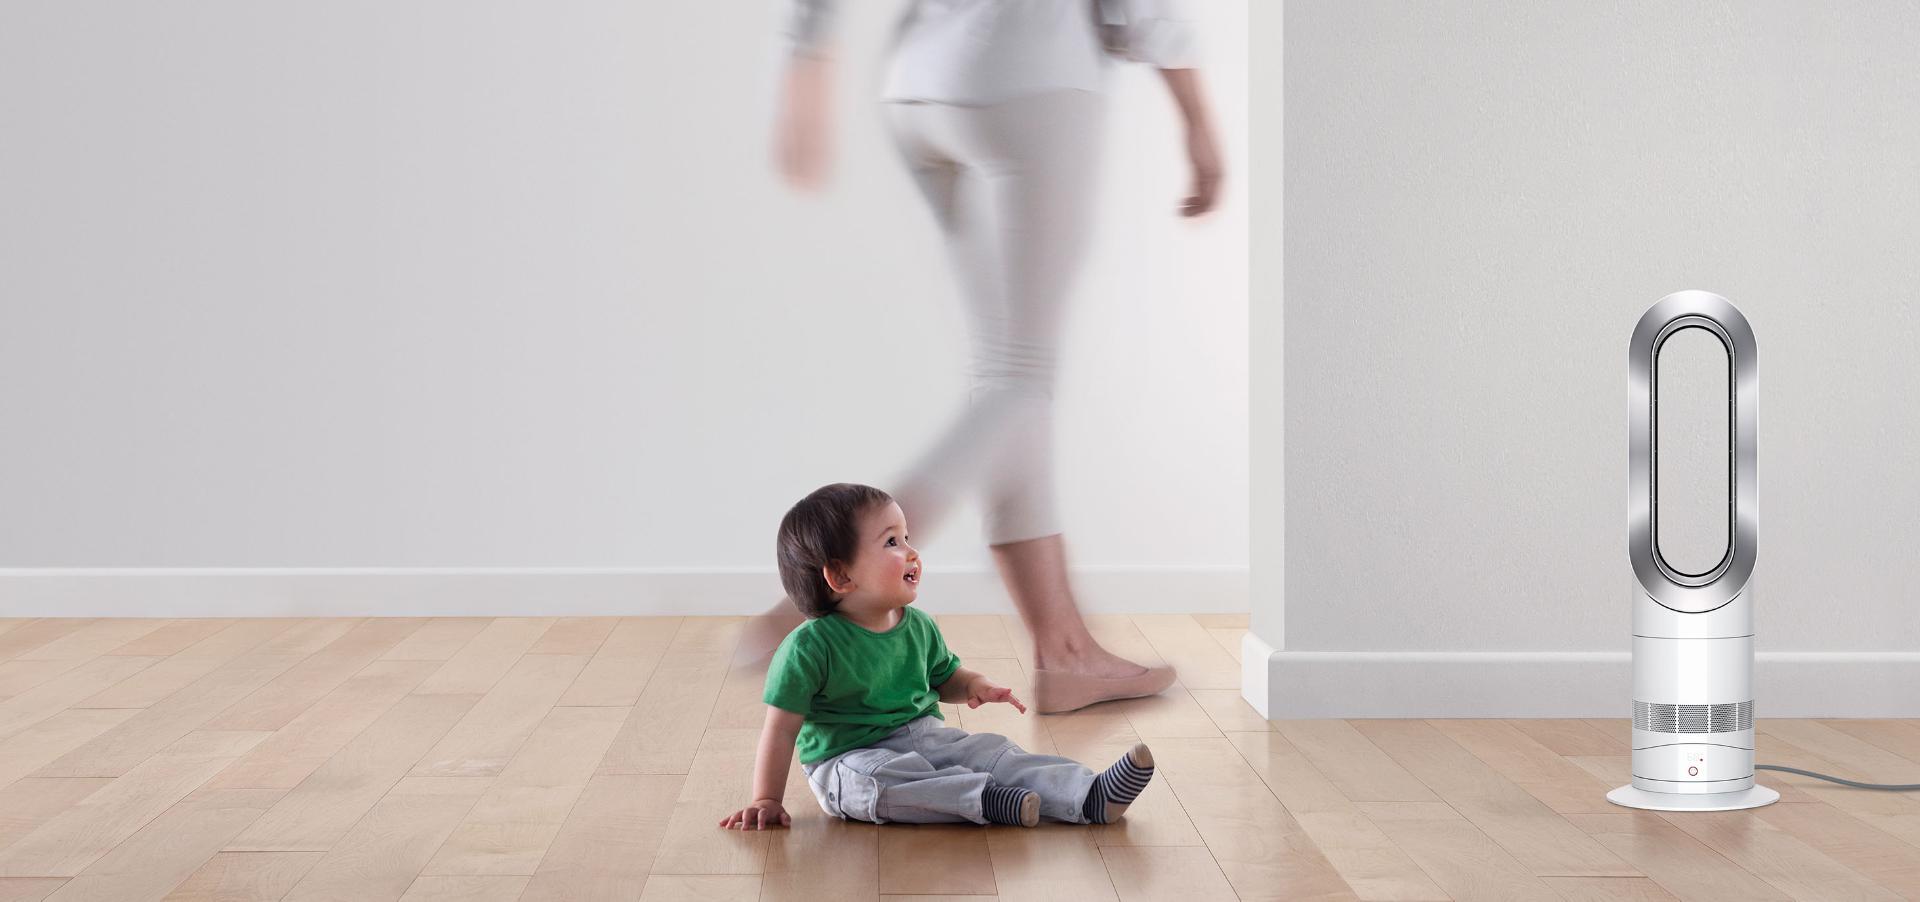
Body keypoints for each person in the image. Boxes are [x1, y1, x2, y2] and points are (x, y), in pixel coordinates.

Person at [736, 0, 1223, 714]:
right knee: (1020, 383)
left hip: (916, 87)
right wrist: (1198, 118)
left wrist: (801, 63)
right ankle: (816, 595)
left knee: (1007, 383)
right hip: (1032, 80)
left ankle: (1067, 655)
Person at [720, 483, 1157, 830]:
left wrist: (972, 684)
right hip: (846, 759)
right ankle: (984, 800)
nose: (911, 551)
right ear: (840, 575)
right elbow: (779, 733)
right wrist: (766, 799)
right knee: (878, 784)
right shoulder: (809, 648)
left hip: (923, 735)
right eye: (891, 541)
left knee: (994, 751)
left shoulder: (918, 625)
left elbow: (943, 677)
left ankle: (1089, 794)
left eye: (907, 537)